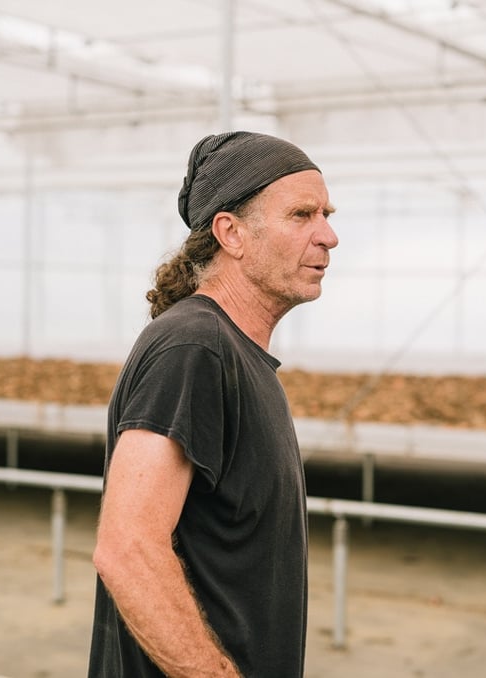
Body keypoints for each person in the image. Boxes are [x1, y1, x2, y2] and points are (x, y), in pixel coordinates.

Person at [87, 131, 338, 678]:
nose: (329, 236)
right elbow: (127, 548)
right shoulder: (195, 348)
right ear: (231, 233)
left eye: (326, 214)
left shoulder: (235, 354)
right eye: (302, 214)